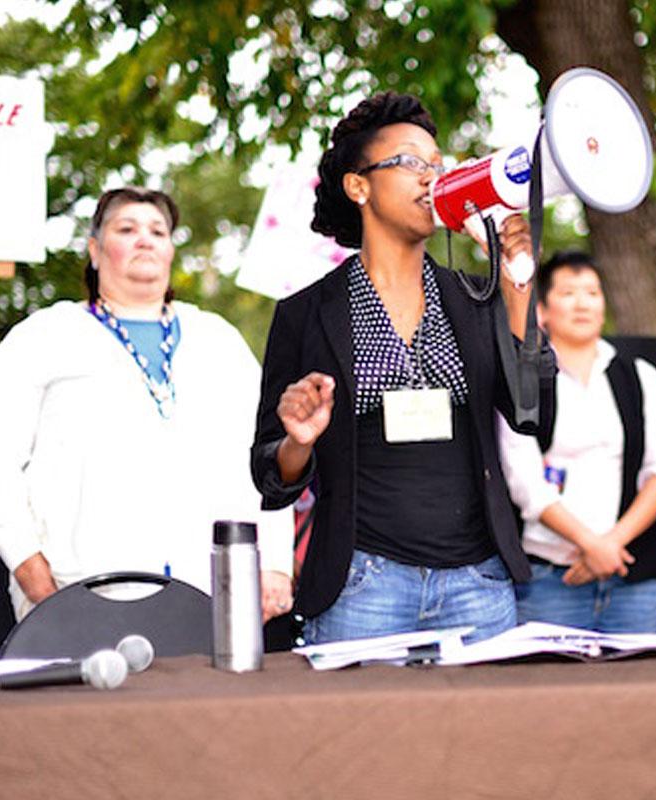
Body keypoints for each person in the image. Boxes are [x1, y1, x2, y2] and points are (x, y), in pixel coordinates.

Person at [250, 92, 555, 645]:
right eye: (412, 163)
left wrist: (517, 285)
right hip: (363, 587)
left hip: (478, 585)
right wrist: (298, 441)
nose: (431, 179)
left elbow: (535, 416)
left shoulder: (475, 295)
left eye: (438, 166)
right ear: (358, 185)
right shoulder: (306, 314)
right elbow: (270, 477)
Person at [0, 187, 294, 621]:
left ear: (171, 250)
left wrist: (273, 564)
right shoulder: (44, 335)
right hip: (79, 587)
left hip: (206, 591)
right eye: (126, 228)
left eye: (158, 231)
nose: (145, 239)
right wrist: (27, 564)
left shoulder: (217, 339)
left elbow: (268, 452)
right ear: (95, 250)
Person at [498, 251, 656, 633]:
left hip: (631, 576)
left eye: (592, 292)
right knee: (552, 691)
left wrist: (609, 546)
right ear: (543, 310)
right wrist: (589, 544)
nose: (582, 303)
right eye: (568, 293)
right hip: (550, 580)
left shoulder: (640, 377)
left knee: (636, 691)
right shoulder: (523, 383)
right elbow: (525, 484)